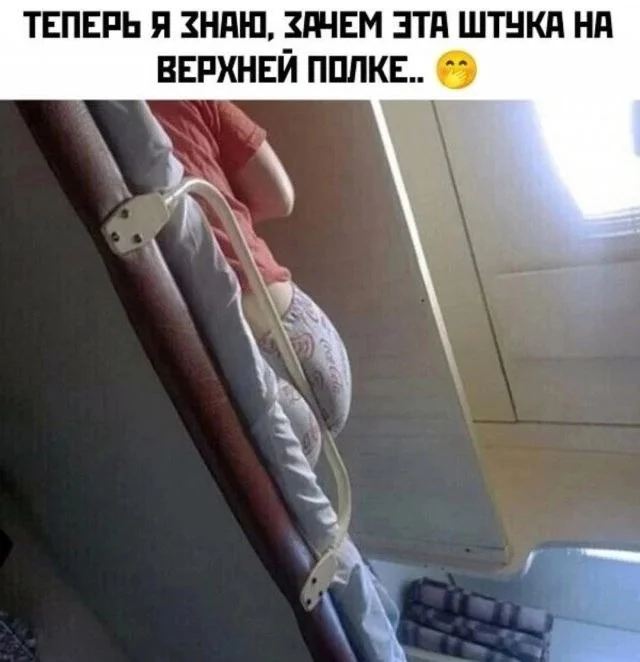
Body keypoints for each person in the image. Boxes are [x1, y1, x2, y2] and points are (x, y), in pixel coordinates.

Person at [148, 101, 351, 466]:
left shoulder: (87, 115)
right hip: (300, 323)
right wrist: (228, 220)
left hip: (229, 349)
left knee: (291, 492)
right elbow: (279, 197)